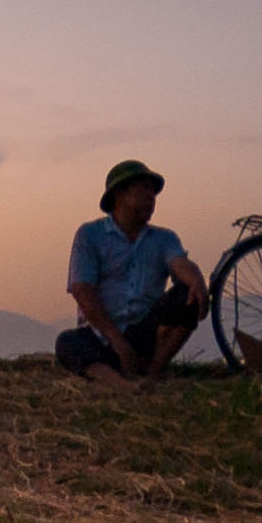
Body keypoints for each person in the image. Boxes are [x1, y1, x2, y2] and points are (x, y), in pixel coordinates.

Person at [61, 160, 208, 379]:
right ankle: (120, 386)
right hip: (101, 334)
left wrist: (196, 280)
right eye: (143, 189)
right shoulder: (90, 235)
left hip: (144, 331)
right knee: (67, 343)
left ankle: (153, 373)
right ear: (120, 194)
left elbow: (180, 264)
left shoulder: (164, 238)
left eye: (153, 192)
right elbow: (82, 289)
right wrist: (116, 340)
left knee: (187, 295)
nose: (151, 198)